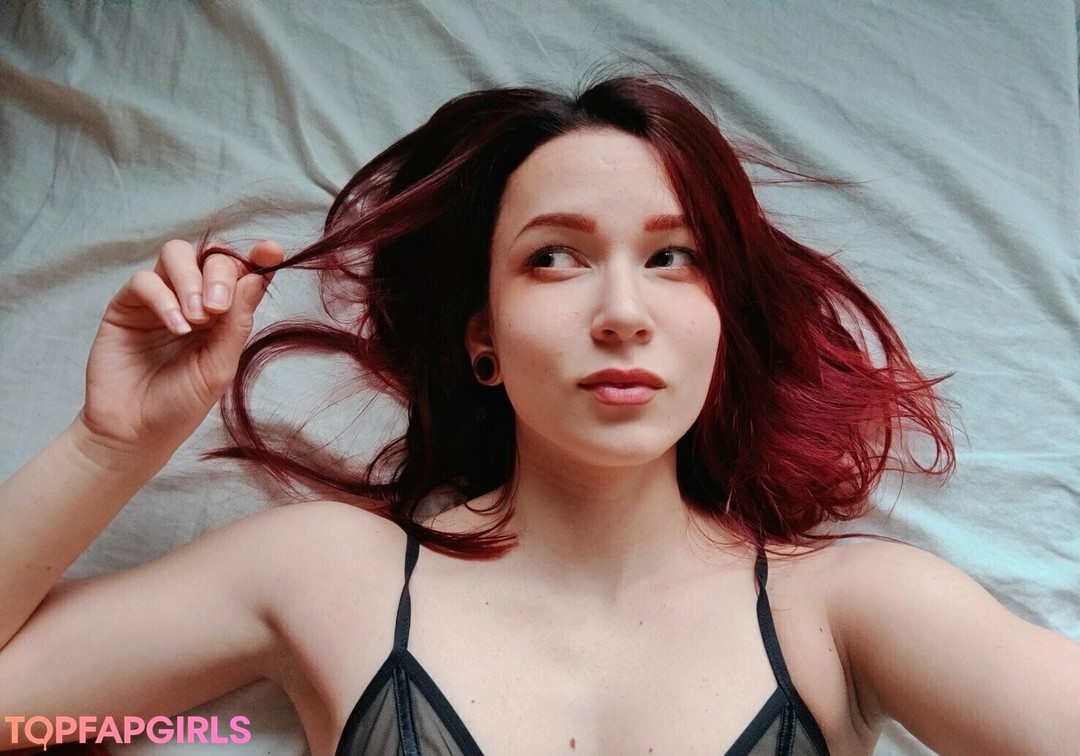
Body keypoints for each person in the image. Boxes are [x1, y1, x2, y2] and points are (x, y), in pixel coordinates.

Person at [0, 74, 1077, 756]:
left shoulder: (851, 609)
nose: (622, 313)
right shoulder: (325, 577)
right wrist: (111, 445)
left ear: (720, 323)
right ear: (483, 336)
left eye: (674, 257)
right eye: (555, 257)